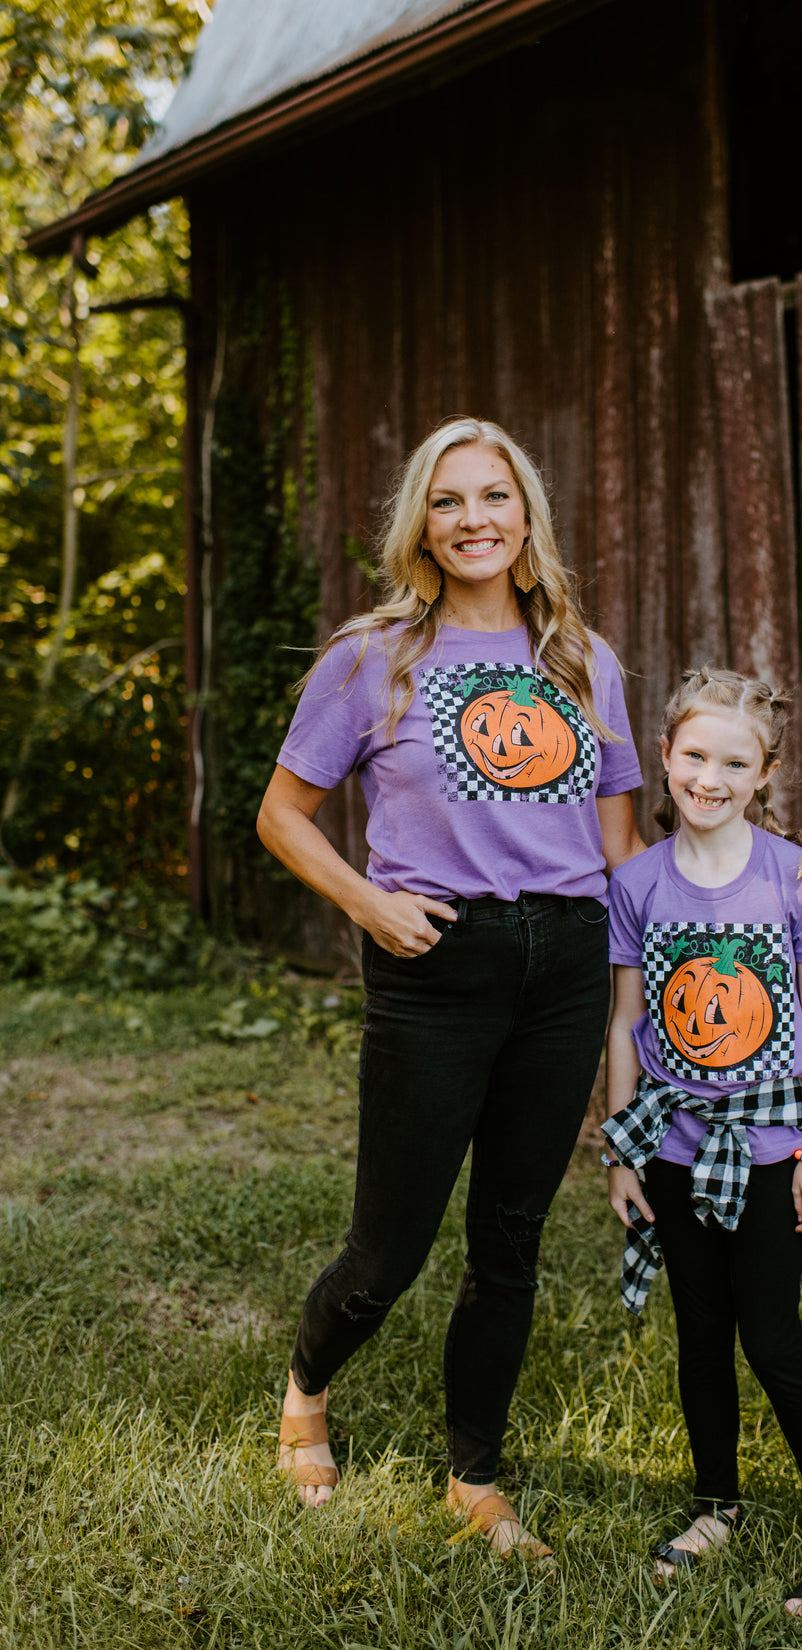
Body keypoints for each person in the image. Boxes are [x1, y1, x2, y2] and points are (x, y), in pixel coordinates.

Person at [257, 415, 644, 1561]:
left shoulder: (581, 656)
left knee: (512, 1236)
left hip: (564, 962)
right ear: (420, 525)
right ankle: (306, 1386)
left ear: (526, 516)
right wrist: (370, 905)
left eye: (493, 497)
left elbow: (622, 850)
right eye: (448, 500)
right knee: (391, 1246)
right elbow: (281, 816)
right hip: (436, 963)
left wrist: (677, 957)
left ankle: (473, 1473)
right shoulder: (372, 659)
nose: (473, 519)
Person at [601, 666, 802, 1615]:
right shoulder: (636, 883)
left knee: (770, 1341)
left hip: (767, 1151)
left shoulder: (794, 879)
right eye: (693, 755)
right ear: (667, 757)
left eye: (734, 761)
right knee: (698, 1337)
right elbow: (627, 1024)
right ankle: (715, 1503)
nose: (709, 776)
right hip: (675, 1150)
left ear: (764, 773)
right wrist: (622, 1152)